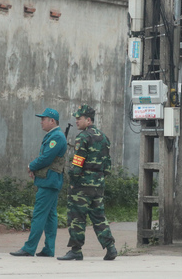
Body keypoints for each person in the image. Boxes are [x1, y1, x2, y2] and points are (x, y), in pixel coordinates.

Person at [57, 104, 117, 261]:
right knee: (99, 216)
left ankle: (76, 250)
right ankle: (110, 248)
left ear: (88, 120)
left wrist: (72, 181)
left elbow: (77, 163)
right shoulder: (104, 138)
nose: (76, 121)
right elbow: (107, 165)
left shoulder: (83, 137)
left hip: (82, 185)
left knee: (77, 217)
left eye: (79, 118)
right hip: (98, 184)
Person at [10, 108, 67, 258]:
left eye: (44, 119)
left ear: (52, 121)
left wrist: (31, 166)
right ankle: (49, 249)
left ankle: (29, 248)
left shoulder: (57, 137)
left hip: (49, 182)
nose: (41, 122)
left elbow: (46, 158)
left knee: (39, 214)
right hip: (49, 180)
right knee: (50, 216)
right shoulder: (54, 136)